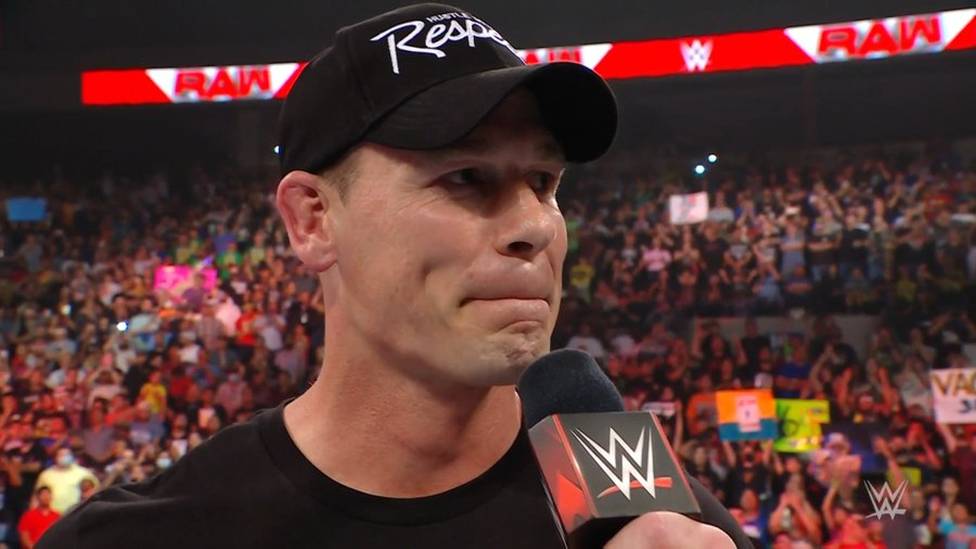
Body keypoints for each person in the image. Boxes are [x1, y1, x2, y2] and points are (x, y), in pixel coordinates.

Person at [38, 4, 747, 548]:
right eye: (466, 177)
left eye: (544, 180)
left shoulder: (652, 514)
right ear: (313, 219)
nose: (533, 224)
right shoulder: (147, 535)